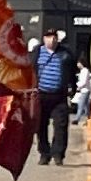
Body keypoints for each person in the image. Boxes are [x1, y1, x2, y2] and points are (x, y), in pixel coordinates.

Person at [33, 27, 77, 163]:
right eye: (48, 36)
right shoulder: (37, 52)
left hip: (59, 96)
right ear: (43, 39)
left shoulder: (65, 54)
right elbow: (30, 70)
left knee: (61, 125)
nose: (51, 39)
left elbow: (72, 73)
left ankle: (58, 154)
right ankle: (44, 153)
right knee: (41, 126)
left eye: (54, 37)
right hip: (41, 95)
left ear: (57, 39)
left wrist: (72, 89)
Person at [74, 58, 91, 125]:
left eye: (78, 63)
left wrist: (78, 86)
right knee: (86, 106)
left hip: (85, 90)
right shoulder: (83, 71)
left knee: (81, 105)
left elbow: (84, 81)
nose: (77, 64)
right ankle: (89, 119)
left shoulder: (85, 71)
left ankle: (77, 119)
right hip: (84, 90)